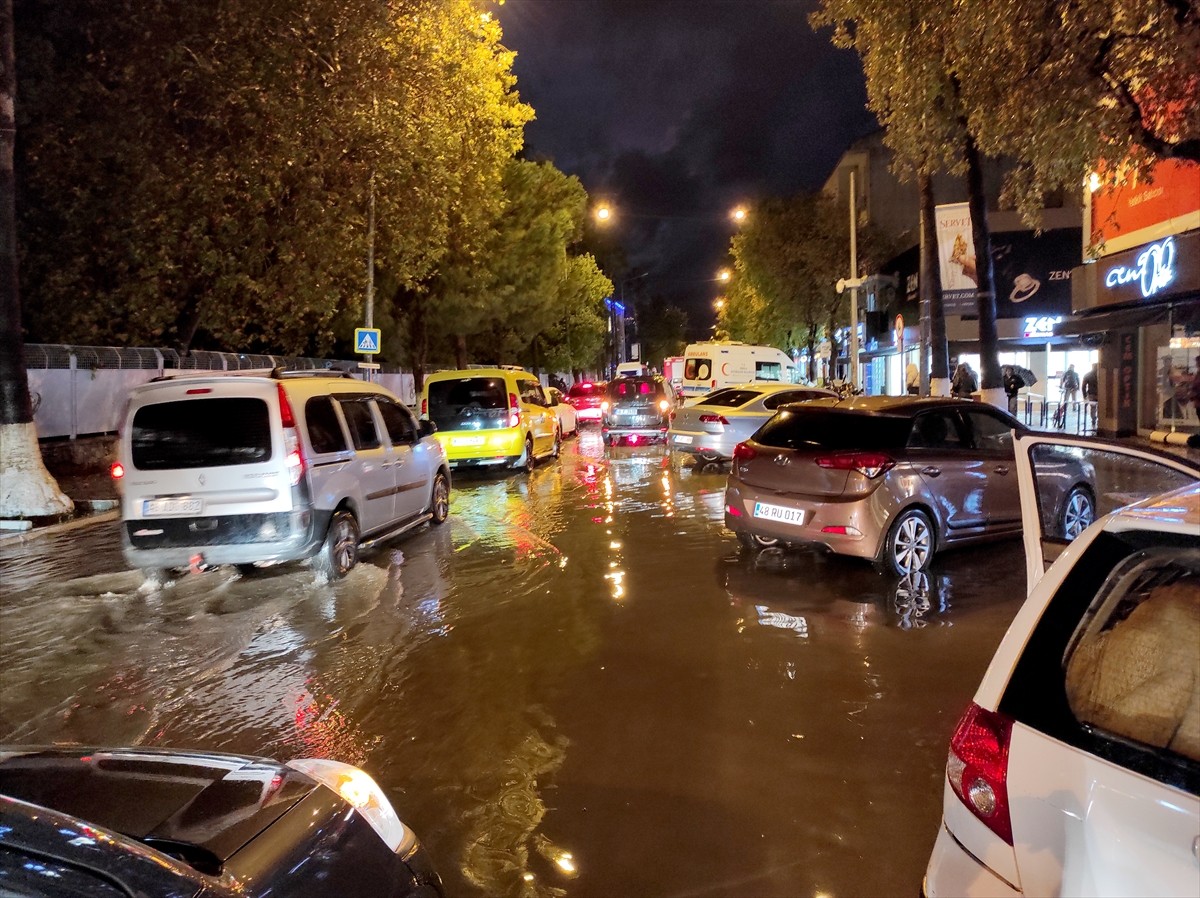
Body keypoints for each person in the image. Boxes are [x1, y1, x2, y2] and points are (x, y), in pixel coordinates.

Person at [1081, 362, 1098, 429]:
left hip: (1091, 394)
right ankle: (1100, 420)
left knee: (1093, 408)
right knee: (1101, 408)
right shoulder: (1100, 374)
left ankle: (1093, 420)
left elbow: (1083, 386)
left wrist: (1085, 395)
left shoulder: (1087, 375)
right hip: (1100, 394)